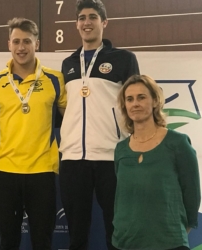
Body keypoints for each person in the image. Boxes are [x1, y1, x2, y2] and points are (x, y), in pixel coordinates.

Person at [58, 0, 140, 249]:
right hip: (72, 158)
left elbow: (135, 105)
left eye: (93, 17)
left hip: (112, 155)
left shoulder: (124, 59)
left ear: (104, 22)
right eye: (82, 18)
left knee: (116, 231)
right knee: (77, 234)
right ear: (76, 24)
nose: (87, 22)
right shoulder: (68, 63)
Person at [0, 17, 67, 250]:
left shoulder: (55, 79)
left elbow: (70, 118)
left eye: (27, 41)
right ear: (8, 44)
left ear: (37, 44)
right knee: (8, 241)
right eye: (17, 41)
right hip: (4, 171)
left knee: (42, 241)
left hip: (42, 171)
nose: (21, 47)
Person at [113, 74, 201, 250]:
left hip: (170, 242)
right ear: (125, 106)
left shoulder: (178, 143)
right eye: (129, 99)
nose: (135, 103)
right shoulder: (121, 149)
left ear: (155, 101)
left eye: (142, 97)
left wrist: (179, 230)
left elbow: (192, 193)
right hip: (124, 243)